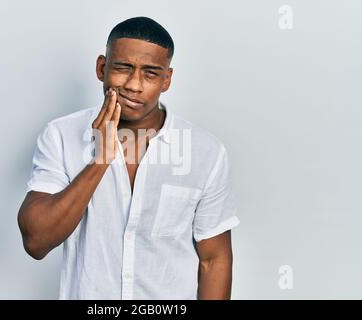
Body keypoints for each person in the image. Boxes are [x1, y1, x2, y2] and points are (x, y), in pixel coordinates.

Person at [17, 16, 240, 300]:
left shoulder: (206, 152)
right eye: (123, 68)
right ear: (101, 67)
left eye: (150, 73)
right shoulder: (60, 135)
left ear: (166, 80)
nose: (134, 85)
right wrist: (100, 159)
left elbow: (214, 260)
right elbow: (36, 241)